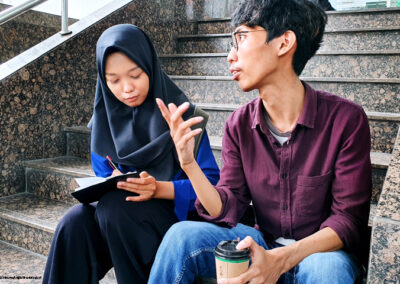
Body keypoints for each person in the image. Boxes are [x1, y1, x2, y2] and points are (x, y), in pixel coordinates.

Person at [149, 0, 371, 283]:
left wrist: (281, 260)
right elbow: (226, 208)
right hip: (261, 243)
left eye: (240, 38)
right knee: (180, 236)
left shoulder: (345, 120)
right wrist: (189, 164)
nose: (230, 56)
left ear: (283, 43)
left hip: (321, 253)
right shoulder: (238, 125)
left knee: (329, 271)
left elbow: (348, 221)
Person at [42, 24, 220, 284]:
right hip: (122, 225)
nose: (126, 88)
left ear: (149, 66)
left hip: (176, 224)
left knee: (116, 207)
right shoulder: (104, 125)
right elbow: (103, 178)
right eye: (113, 80)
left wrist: (158, 188)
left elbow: (214, 188)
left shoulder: (183, 116)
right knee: (76, 222)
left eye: (135, 75)